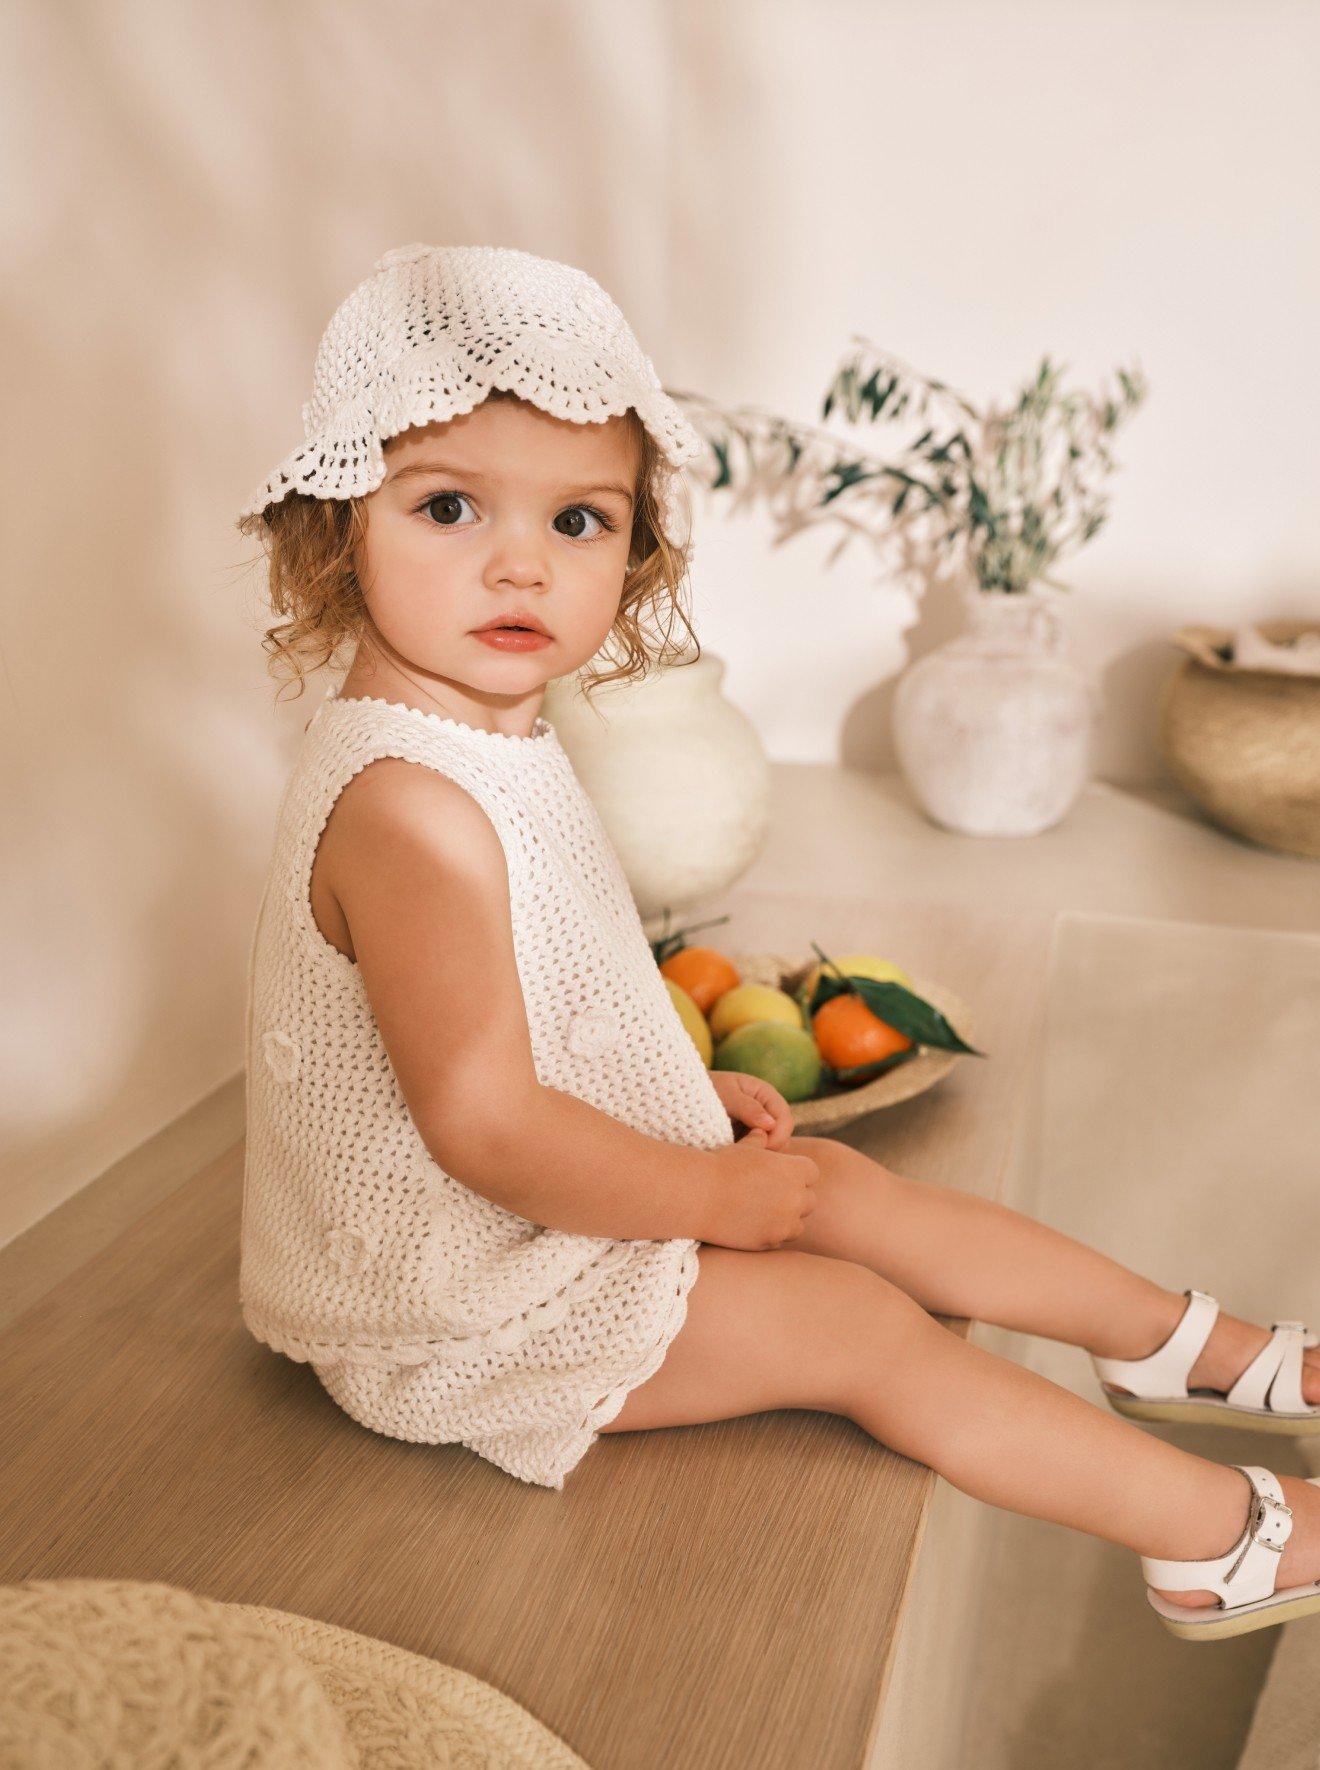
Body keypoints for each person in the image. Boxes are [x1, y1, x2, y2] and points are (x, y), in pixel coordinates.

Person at [236, 243, 1320, 1643]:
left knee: (839, 1186)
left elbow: (557, 986)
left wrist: (676, 1109)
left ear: (636, 546)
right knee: (858, 1323)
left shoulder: (481, 732)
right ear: (337, 528)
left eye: (581, 520)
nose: (523, 561)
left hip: (519, 1226)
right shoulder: (406, 808)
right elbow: (486, 1123)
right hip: (452, 1314)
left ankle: (1211, 1352)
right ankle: (1220, 1535)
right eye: (449, 506)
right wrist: (697, 1194)